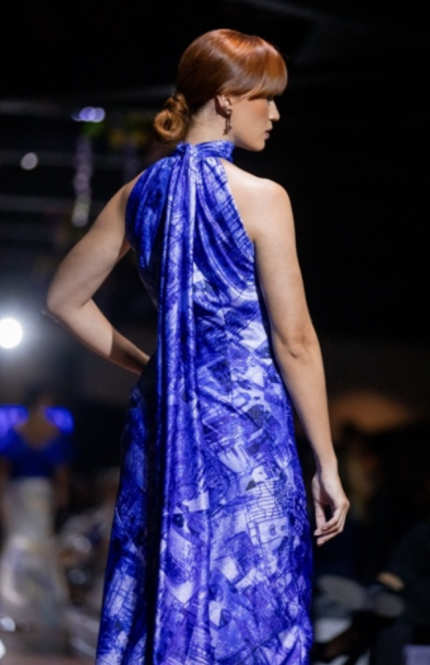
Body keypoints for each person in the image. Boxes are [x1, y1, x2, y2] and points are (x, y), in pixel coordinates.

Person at [45, 28, 349, 665]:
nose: (276, 113)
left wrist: (154, 370)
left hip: (164, 421)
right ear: (228, 98)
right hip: (244, 429)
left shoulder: (137, 195)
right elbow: (294, 341)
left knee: (163, 578)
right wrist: (326, 461)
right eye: (267, 97)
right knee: (251, 600)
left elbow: (64, 300)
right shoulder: (264, 199)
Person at [0, 385, 73, 649]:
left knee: (40, 547)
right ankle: (13, 607)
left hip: (42, 499)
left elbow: (61, 473)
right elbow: (4, 470)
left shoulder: (54, 435)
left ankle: (39, 610)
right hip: (17, 497)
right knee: (18, 544)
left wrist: (61, 499)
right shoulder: (16, 433)